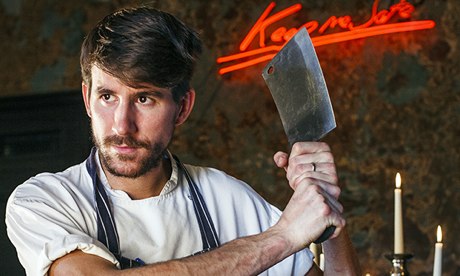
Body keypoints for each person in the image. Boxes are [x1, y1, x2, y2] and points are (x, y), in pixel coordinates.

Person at [5, 6, 361, 276]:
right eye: (107, 97)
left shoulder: (226, 197)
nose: (122, 125)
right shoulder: (43, 201)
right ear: (87, 99)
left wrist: (328, 216)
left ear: (183, 106)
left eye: (145, 98)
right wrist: (281, 238)